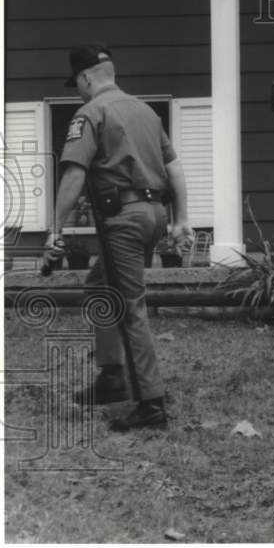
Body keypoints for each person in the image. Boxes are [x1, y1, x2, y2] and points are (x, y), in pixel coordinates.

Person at [42, 44, 193, 430]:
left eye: (77, 83)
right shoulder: (145, 111)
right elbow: (174, 168)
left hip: (123, 218)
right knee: (99, 288)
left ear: (87, 77)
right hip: (154, 213)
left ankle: (152, 404)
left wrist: (55, 230)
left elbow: (74, 174)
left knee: (128, 307)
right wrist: (182, 220)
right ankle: (111, 378)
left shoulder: (91, 112)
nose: (77, 90)